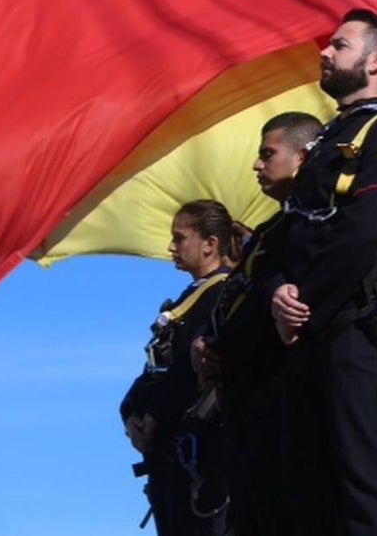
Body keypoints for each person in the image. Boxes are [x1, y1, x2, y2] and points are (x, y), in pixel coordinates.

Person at [271, 8, 377, 536]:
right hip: (311, 330)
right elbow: (288, 233)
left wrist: (301, 303)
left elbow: (365, 229)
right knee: (307, 486)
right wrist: (278, 292)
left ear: (376, 61)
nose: (325, 52)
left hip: (357, 329)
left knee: (363, 482)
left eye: (340, 46)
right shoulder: (328, 141)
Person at [190, 110, 323, 536]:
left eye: (268, 154)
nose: (256, 164)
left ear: (303, 157)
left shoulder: (313, 224)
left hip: (282, 402)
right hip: (245, 407)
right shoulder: (268, 232)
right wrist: (212, 348)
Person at [120, 199, 239, 536]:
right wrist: (130, 415)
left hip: (203, 457)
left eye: (180, 237)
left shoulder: (224, 295)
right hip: (169, 458)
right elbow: (154, 369)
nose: (171, 246)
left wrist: (154, 417)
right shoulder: (189, 298)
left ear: (210, 244)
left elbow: (190, 365)